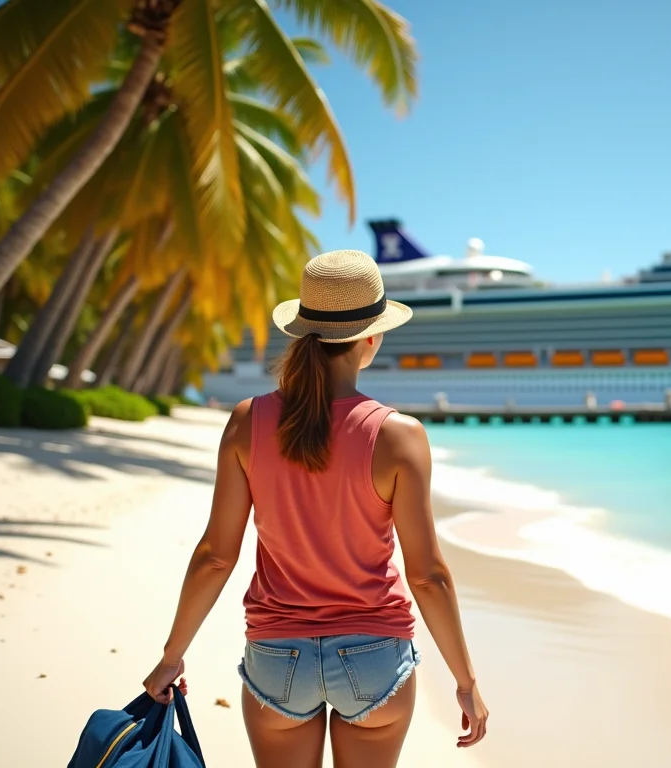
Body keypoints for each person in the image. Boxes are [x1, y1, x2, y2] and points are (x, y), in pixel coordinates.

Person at [143, 250, 487, 767]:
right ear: (371, 339)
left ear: (302, 333)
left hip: (278, 656)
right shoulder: (398, 435)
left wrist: (171, 658)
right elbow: (428, 576)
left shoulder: (246, 421)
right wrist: (466, 682)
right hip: (376, 657)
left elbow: (216, 555)